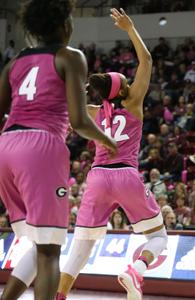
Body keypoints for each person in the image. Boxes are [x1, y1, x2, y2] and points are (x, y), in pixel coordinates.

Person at [0, 1, 117, 299]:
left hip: (6, 145)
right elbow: (78, 121)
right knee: (51, 249)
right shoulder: (71, 57)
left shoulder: (13, 64)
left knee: (41, 242)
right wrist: (106, 139)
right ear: (65, 25)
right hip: (40, 147)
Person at [56, 9, 165, 300]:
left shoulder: (95, 111)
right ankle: (136, 271)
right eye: (126, 83)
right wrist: (130, 29)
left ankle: (59, 296)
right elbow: (147, 60)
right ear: (123, 91)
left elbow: (71, 106)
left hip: (97, 177)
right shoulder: (133, 103)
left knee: (81, 247)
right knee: (158, 237)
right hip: (125, 174)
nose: (131, 84)